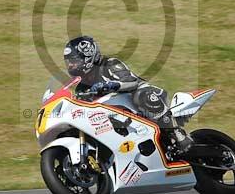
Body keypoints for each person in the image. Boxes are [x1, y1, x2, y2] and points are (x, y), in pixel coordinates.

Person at [63, 35, 193, 157]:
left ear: (87, 57)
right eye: (68, 62)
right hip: (117, 117)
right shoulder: (82, 87)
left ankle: (176, 133)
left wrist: (110, 85)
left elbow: (132, 82)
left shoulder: (109, 64)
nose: (70, 65)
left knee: (141, 95)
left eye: (74, 61)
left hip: (142, 99)